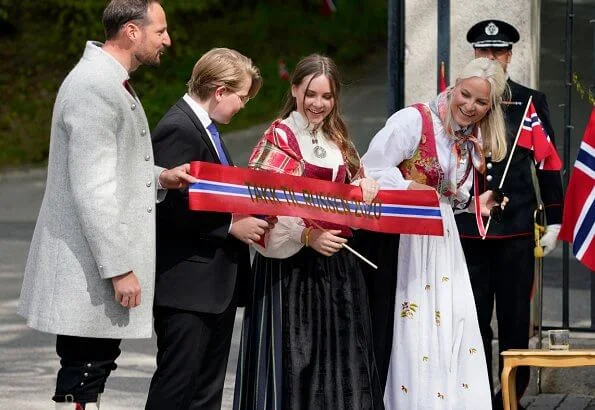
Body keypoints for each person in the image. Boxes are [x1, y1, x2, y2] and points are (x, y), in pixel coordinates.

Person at [17, 1, 197, 409]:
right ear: (132, 31)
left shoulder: (107, 80)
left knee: (91, 368)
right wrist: (119, 267)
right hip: (91, 265)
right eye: (160, 31)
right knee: (84, 372)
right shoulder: (94, 87)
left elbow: (113, 169)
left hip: (92, 263)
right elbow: (92, 187)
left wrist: (160, 177)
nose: (167, 40)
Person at [233, 54, 384, 410]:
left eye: (327, 97)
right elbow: (264, 202)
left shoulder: (338, 137)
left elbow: (354, 184)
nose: (319, 104)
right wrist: (306, 236)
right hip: (291, 272)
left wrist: (366, 184)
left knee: (342, 363)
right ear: (295, 89)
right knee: (298, 363)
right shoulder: (279, 136)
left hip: (337, 270)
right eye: (311, 94)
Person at [362, 57, 509, 409]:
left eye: (480, 102)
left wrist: (474, 203)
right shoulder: (413, 120)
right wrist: (410, 187)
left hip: (443, 240)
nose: (470, 106)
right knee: (412, 323)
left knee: (450, 319)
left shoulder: (468, 138)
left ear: (490, 107)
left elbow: (447, 194)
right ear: (454, 85)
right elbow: (370, 167)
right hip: (406, 235)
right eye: (466, 94)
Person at [145, 48, 274, 410]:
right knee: (177, 387)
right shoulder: (178, 128)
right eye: (241, 97)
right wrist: (231, 224)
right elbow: (169, 205)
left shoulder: (204, 128)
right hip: (187, 287)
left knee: (205, 392)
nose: (243, 105)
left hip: (211, 288)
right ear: (219, 90)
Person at [456, 20, 564, 409]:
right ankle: (477, 393)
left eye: (497, 52)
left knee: (516, 320)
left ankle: (512, 397)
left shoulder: (530, 100)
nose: (491, 59)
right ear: (473, 55)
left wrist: (554, 218)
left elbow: (548, 163)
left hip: (516, 228)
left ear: (510, 55)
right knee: (472, 318)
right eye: (483, 53)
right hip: (468, 229)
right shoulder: (459, 98)